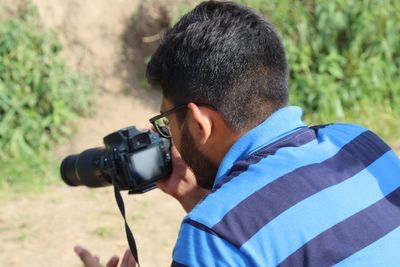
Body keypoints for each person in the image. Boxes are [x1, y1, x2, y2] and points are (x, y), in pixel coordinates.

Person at [75, 1, 400, 266]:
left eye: (167, 120)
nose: (168, 135)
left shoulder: (213, 239)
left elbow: (242, 236)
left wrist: (215, 220)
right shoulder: (359, 143)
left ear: (200, 123)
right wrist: (195, 199)